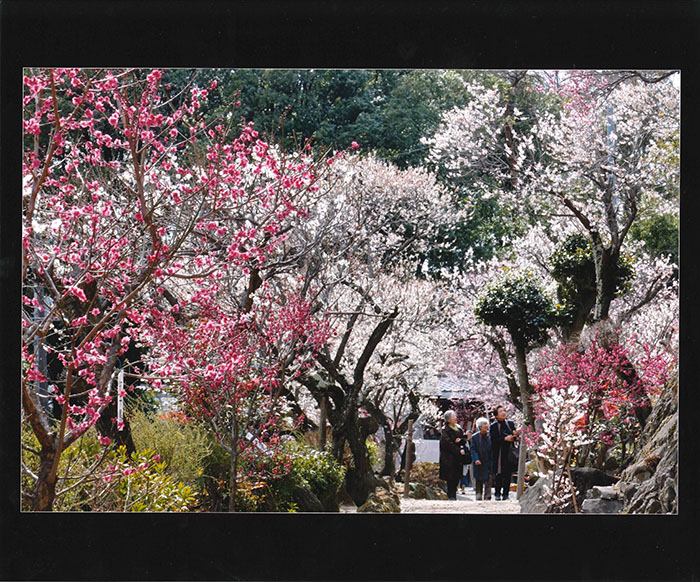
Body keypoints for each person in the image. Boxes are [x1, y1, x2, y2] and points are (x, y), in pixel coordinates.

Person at [489, 405, 520, 501]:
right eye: (501, 411)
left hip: (509, 452)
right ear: (496, 415)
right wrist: (504, 439)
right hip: (499, 452)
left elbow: (515, 438)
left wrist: (515, 436)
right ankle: (497, 493)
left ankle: (506, 494)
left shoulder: (510, 423)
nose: (503, 413)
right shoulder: (494, 426)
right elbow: (493, 440)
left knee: (508, 474)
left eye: (504, 411)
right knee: (499, 473)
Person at [439, 410, 466, 500]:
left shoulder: (458, 428)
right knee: (450, 478)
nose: (456, 418)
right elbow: (447, 444)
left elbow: (463, 439)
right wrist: (458, 450)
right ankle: (451, 496)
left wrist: (461, 441)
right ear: (448, 419)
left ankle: (453, 494)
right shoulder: (445, 430)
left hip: (458, 458)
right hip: (448, 458)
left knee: (457, 477)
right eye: (454, 416)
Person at [470, 417, 493, 500]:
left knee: (488, 479)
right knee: (478, 480)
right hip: (478, 461)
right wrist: (476, 459)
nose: (486, 426)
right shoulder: (475, 437)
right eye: (484, 424)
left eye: (487, 424)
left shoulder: (490, 436)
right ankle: (478, 495)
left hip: (488, 461)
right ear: (479, 427)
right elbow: (473, 449)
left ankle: (487, 496)